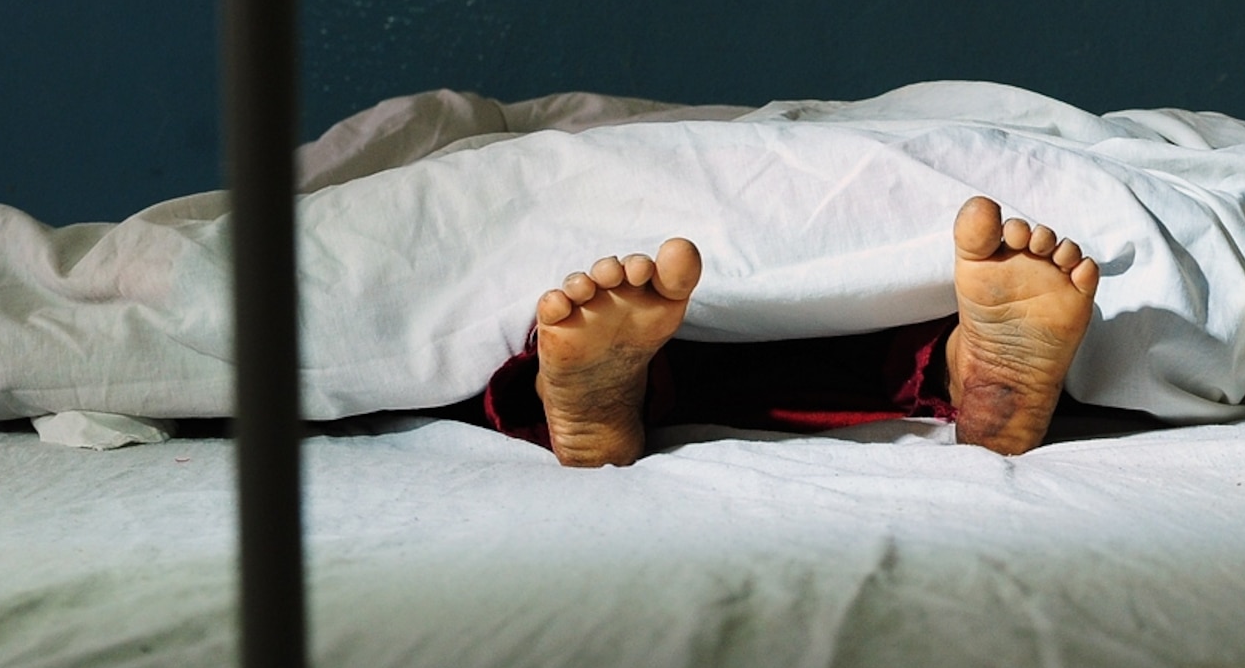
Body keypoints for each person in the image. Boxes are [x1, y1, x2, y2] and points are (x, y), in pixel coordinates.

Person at [470, 196, 1101, 467]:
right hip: (865, 354)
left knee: (663, 342)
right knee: (881, 329)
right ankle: (958, 371)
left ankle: (616, 394)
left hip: (678, 352)